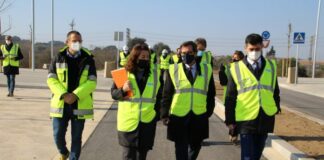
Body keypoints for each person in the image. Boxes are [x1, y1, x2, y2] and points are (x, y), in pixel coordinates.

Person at [225, 34, 281, 160]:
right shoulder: (236, 68)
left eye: (257, 49)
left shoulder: (271, 66)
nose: (254, 52)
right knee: (247, 156)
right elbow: (230, 97)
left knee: (256, 155)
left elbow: (275, 90)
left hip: (265, 117)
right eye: (251, 49)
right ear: (246, 48)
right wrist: (230, 120)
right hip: (245, 119)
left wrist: (276, 107)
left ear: (262, 47)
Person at [161, 41, 215, 160]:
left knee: (196, 147)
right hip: (179, 116)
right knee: (180, 148)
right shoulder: (173, 69)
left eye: (190, 52)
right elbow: (167, 94)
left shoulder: (207, 69)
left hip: (199, 115)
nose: (186, 55)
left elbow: (211, 93)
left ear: (196, 53)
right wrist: (164, 114)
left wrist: (209, 111)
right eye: (183, 53)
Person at [47, 31, 97, 160]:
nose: (77, 43)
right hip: (61, 104)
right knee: (57, 135)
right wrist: (64, 94)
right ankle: (64, 152)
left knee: (76, 138)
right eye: (74, 41)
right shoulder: (58, 57)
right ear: (67, 42)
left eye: (80, 41)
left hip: (79, 104)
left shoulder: (88, 59)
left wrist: (75, 95)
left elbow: (92, 82)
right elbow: (51, 79)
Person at [111, 43, 162, 160]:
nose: (146, 59)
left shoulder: (155, 73)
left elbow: (160, 95)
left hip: (147, 122)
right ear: (135, 56)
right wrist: (123, 90)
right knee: (128, 156)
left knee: (141, 156)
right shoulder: (122, 72)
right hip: (128, 123)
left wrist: (156, 114)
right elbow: (113, 94)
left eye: (147, 57)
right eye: (142, 57)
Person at [218, 50, 244, 144]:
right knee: (230, 119)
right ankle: (232, 132)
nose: (234, 59)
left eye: (236, 58)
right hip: (229, 96)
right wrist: (221, 72)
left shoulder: (244, 69)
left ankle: (234, 135)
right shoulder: (227, 67)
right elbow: (223, 82)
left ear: (241, 59)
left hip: (241, 98)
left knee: (237, 118)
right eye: (233, 57)